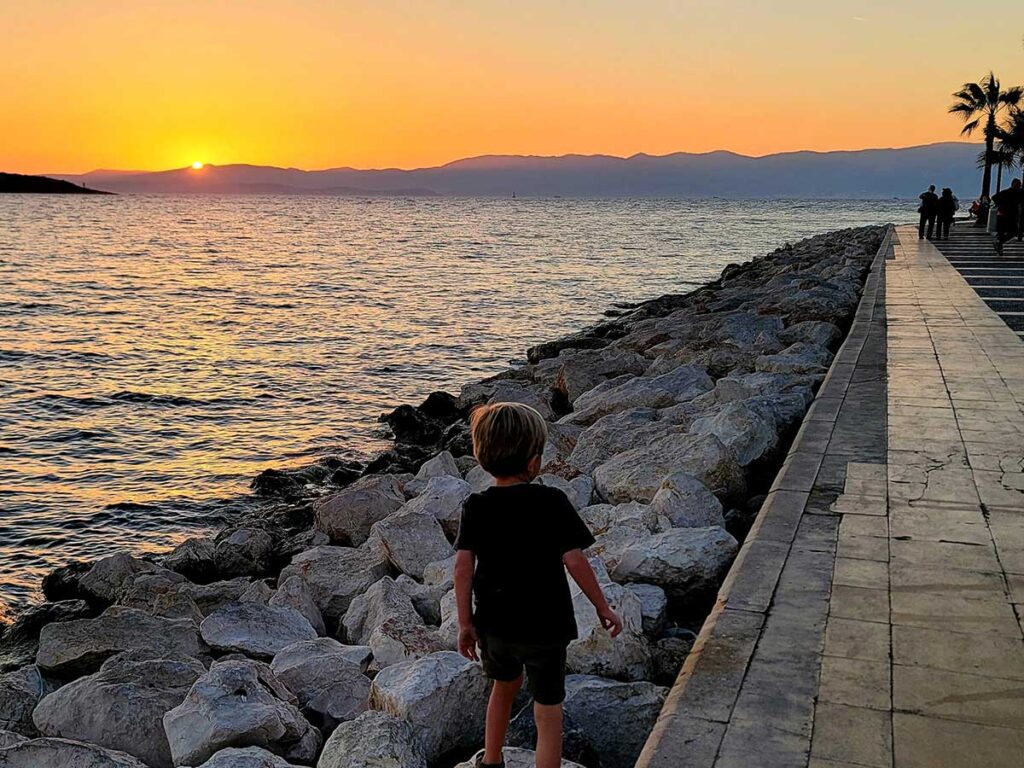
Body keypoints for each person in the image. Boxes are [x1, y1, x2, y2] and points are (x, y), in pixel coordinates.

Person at [454, 402, 622, 768]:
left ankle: (492, 760)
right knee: (548, 709)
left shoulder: (476, 506)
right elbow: (575, 560)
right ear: (534, 463)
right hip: (546, 628)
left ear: (482, 459)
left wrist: (465, 622)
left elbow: (463, 569)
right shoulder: (552, 502)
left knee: (503, 688)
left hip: (495, 626)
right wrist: (602, 606)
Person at [992, 179, 1023, 255]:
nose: (1018, 186)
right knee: (1013, 231)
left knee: (1006, 232)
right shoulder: (1017, 193)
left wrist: (1000, 204)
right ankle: (999, 245)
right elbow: (994, 197)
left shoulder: (1014, 193)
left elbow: (994, 197)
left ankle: (999, 244)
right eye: (1017, 185)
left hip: (1003, 214)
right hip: (1007, 215)